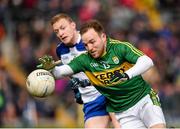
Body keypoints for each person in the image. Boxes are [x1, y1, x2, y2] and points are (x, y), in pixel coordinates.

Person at [38, 19, 166, 128]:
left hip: (143, 99)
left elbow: (147, 61)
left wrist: (127, 74)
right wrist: (51, 69)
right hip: (123, 111)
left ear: (103, 37)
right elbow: (61, 72)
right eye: (86, 45)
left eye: (92, 42)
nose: (90, 48)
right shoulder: (84, 60)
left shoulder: (119, 48)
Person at [47, 13, 120, 128]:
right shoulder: (60, 50)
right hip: (92, 101)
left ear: (73, 25)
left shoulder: (91, 39)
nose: (60, 33)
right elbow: (69, 71)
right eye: (56, 31)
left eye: (63, 28)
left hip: (111, 92)